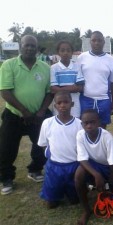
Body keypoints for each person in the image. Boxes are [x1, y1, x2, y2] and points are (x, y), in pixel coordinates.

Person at [0, 35, 53, 195]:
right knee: (6, 147)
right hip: (14, 114)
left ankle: (35, 170)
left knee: (42, 145)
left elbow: (49, 92)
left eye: (33, 46)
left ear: (37, 48)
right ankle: (6, 178)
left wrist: (42, 111)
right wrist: (24, 111)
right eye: (26, 45)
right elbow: (5, 91)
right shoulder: (9, 65)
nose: (30, 48)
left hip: (38, 115)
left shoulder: (45, 67)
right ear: (20, 47)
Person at [38, 91, 82, 208]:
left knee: (75, 201)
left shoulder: (79, 124)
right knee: (51, 204)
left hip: (73, 166)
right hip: (54, 166)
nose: (63, 105)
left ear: (72, 104)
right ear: (55, 106)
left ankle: (72, 191)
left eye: (66, 102)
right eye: (59, 103)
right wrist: (51, 160)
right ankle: (54, 194)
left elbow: (82, 147)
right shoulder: (47, 123)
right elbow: (43, 144)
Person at [74, 109, 113, 225]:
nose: (89, 126)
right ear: (82, 124)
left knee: (112, 190)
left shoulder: (106, 136)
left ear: (99, 123)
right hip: (93, 166)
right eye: (86, 123)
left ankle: (107, 192)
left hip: (107, 167)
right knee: (78, 174)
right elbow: (82, 159)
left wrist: (111, 183)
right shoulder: (80, 135)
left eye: (92, 122)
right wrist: (96, 175)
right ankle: (86, 210)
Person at [77, 31, 113, 129]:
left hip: (103, 99)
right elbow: (78, 80)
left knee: (102, 128)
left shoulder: (110, 59)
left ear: (103, 42)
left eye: (99, 40)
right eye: (94, 40)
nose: (96, 43)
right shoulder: (82, 58)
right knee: (86, 127)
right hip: (86, 99)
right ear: (90, 42)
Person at [50, 40, 84, 118]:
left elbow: (80, 88)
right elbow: (53, 88)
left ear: (72, 52)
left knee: (75, 123)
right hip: (59, 103)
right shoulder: (54, 68)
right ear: (58, 52)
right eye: (62, 50)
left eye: (68, 50)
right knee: (59, 123)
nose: (65, 53)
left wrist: (60, 88)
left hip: (74, 103)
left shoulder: (77, 66)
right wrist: (73, 87)